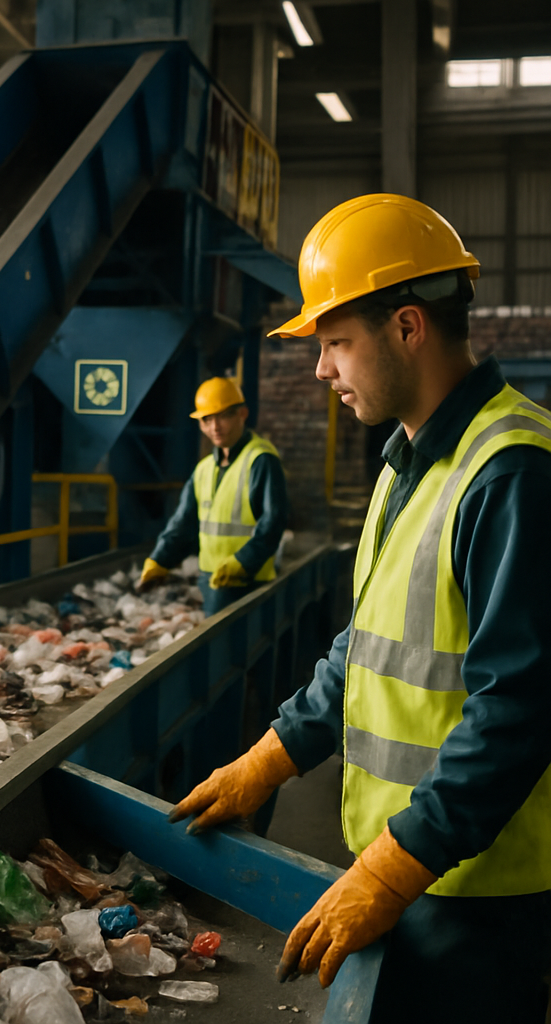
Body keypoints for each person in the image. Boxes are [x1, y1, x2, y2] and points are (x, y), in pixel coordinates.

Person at [167, 194, 551, 1023]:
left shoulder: (510, 473)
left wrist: (393, 867)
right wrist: (271, 755)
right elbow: (368, 645)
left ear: (408, 327)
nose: (321, 370)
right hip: (409, 868)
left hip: (476, 894)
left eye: (337, 343)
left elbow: (518, 708)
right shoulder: (405, 462)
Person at [138, 376, 288, 615]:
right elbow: (183, 522)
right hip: (211, 581)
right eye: (207, 419)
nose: (215, 427)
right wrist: (160, 560)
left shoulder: (261, 460)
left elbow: (273, 522)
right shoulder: (205, 468)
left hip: (248, 582)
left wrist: (243, 561)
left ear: (242, 414)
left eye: (224, 416)